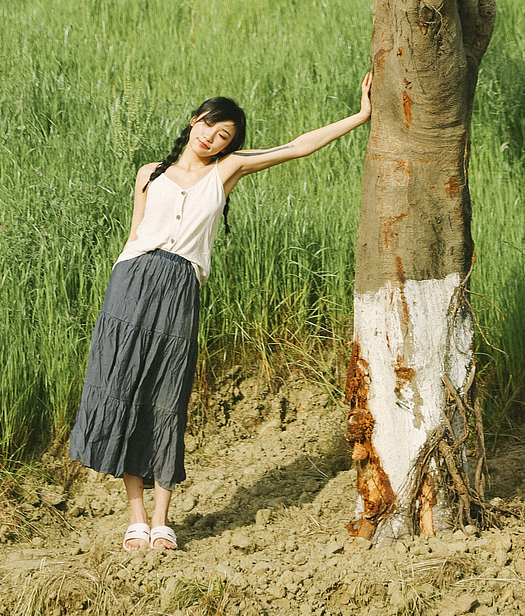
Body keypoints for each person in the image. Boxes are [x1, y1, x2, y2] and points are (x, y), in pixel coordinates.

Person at [68, 75, 373, 552]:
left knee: (166, 394)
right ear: (195, 121)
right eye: (210, 125)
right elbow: (134, 234)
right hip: (129, 286)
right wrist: (118, 291)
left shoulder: (225, 172)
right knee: (124, 389)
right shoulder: (149, 172)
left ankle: (164, 520)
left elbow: (297, 147)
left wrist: (361, 115)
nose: (212, 137)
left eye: (224, 136)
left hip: (179, 286)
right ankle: (136, 519)